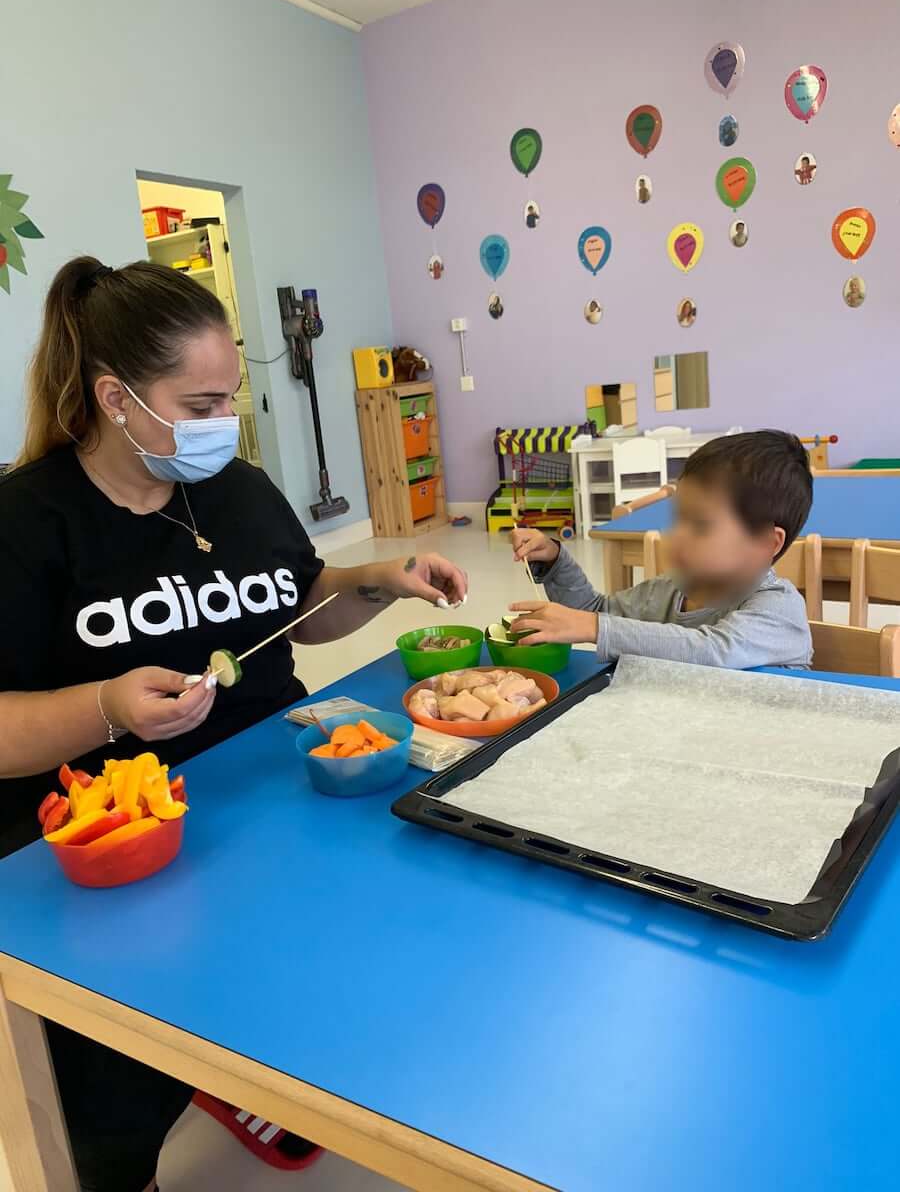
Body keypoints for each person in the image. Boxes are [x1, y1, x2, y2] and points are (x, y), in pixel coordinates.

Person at [0, 256, 468, 1192]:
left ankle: (260, 1067)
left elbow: (296, 608)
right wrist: (105, 707)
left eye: (231, 401)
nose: (224, 426)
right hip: (121, 835)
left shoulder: (238, 492)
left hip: (271, 782)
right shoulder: (27, 523)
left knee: (386, 922)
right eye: (202, 404)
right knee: (113, 1088)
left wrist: (373, 583)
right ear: (116, 398)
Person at [508, 431, 813, 669]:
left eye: (701, 525)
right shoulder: (670, 590)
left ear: (765, 543)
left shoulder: (779, 608)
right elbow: (593, 613)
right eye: (680, 518)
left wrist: (597, 627)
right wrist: (553, 559)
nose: (678, 534)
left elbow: (715, 650)